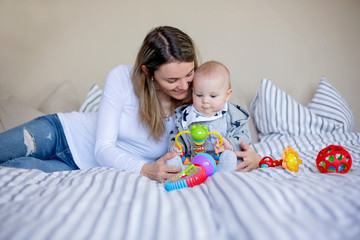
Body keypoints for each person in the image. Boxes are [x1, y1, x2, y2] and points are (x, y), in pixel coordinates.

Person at [0, 26, 261, 182]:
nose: (184, 86)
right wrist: (146, 169)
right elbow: (103, 148)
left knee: (13, 172)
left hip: (79, 166)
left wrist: (251, 154)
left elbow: (227, 127)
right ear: (149, 72)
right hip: (59, 132)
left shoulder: (197, 103)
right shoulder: (122, 77)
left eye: (189, 74)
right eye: (172, 79)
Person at [167, 61, 251, 172]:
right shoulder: (187, 116)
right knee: (173, 159)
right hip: (194, 162)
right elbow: (176, 134)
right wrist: (176, 146)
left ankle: (224, 170)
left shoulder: (232, 115)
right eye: (199, 95)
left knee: (229, 158)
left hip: (219, 160)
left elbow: (244, 136)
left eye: (213, 96)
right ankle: (178, 168)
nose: (205, 101)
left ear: (227, 95)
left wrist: (230, 144)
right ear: (192, 92)